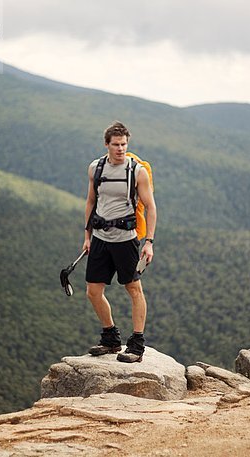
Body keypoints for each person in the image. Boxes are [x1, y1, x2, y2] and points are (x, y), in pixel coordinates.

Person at [82, 121, 157, 363]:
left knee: (134, 289)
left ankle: (136, 344)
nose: (120, 149)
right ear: (107, 144)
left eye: (124, 144)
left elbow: (151, 208)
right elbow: (91, 201)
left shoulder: (137, 171)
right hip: (101, 237)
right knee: (93, 291)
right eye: (116, 144)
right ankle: (111, 338)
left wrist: (149, 242)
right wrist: (87, 236)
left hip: (126, 239)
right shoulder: (96, 168)